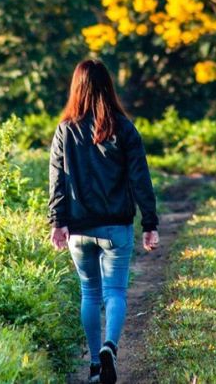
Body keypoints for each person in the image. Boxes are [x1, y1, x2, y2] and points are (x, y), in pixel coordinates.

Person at [48, 59, 159, 384]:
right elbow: (141, 178)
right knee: (115, 292)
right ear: (108, 88)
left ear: (76, 88)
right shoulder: (124, 128)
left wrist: (58, 220)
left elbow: (56, 178)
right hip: (116, 227)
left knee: (90, 293)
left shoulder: (64, 130)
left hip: (79, 229)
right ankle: (111, 346)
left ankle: (96, 363)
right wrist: (149, 223)